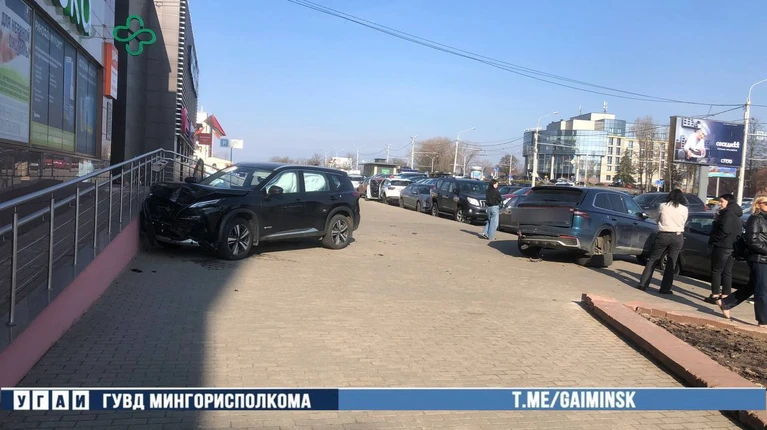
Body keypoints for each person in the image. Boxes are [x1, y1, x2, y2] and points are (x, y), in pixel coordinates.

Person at [718, 195, 767, 329]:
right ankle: (763, 320)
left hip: (764, 258)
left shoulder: (765, 219)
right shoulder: (755, 219)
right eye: (766, 203)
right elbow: (752, 241)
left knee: (753, 286)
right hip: (759, 258)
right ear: (758, 204)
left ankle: (726, 303)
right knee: (762, 289)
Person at [636, 189, 689, 294]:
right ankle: (665, 288)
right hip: (677, 236)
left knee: (653, 259)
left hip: (663, 234)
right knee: (671, 262)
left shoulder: (663, 206)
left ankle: (643, 284)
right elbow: (684, 221)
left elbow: (658, 219)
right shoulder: (684, 209)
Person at [705, 193, 743, 304]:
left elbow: (724, 230)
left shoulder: (728, 214)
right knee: (727, 272)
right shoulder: (735, 213)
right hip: (732, 246)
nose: (720, 204)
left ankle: (715, 295)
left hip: (722, 246)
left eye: (722, 201)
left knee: (716, 271)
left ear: (728, 201)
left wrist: (715, 239)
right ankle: (726, 294)